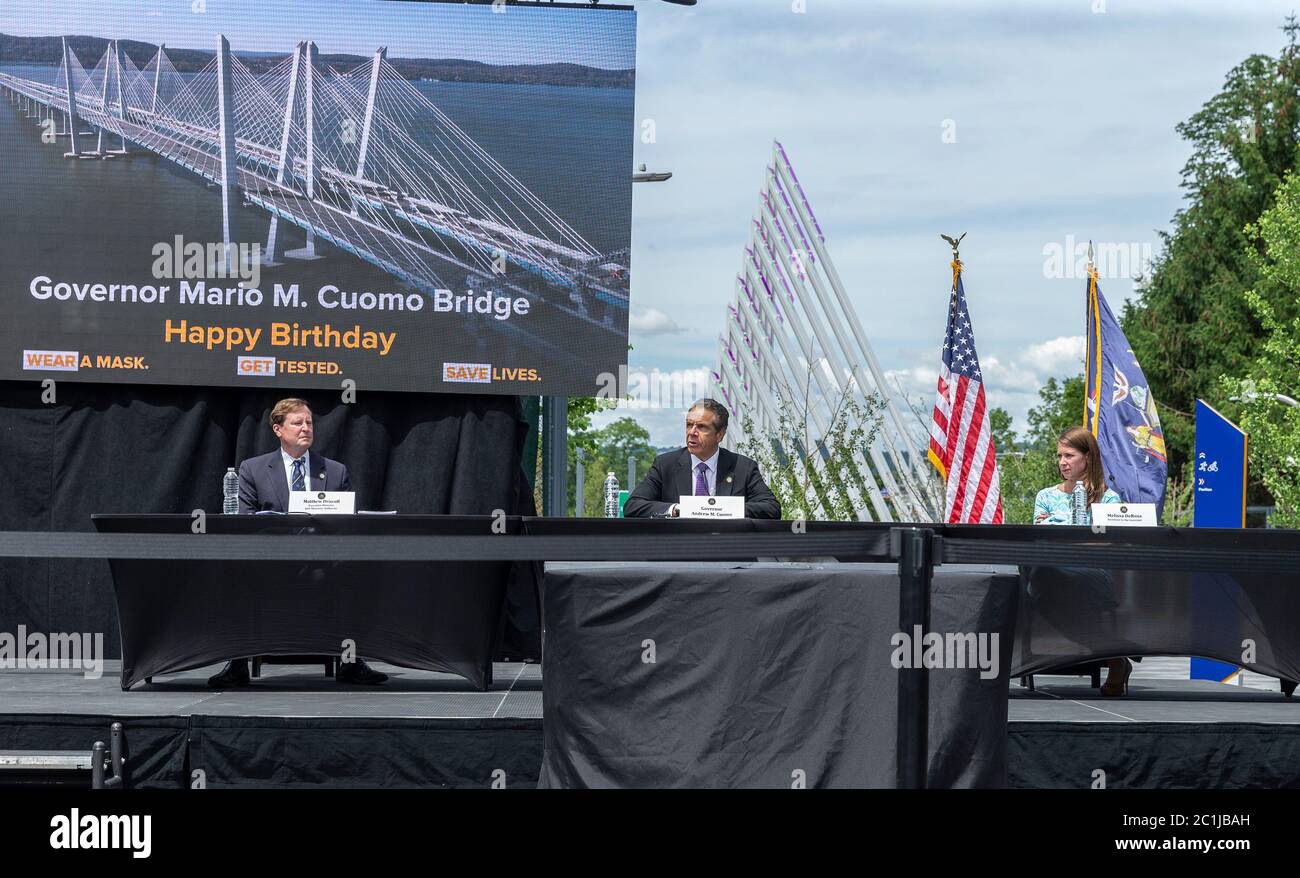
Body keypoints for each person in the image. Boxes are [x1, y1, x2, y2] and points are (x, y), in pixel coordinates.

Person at [207, 398, 388, 688]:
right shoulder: (253, 469)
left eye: (309, 422)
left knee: (361, 569)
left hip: (323, 563)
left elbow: (347, 525)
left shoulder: (335, 470)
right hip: (270, 563)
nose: (306, 428)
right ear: (278, 429)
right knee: (233, 569)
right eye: (297, 423)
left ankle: (351, 662)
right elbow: (243, 521)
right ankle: (237, 661)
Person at [1032, 425, 1130, 696]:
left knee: (1052, 585)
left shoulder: (1108, 499)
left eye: (1069, 455)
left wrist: (1056, 526)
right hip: (1052, 572)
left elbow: (1106, 544)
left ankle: (1115, 656)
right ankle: (1117, 656)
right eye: (1059, 456)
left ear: (1088, 457)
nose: (1062, 462)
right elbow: (1039, 538)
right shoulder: (1045, 496)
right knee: (1044, 579)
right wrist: (1077, 533)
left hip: (1093, 573)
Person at [623, 398, 780, 520]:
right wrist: (676, 509)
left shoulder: (742, 467)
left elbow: (771, 509)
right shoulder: (665, 465)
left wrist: (721, 510)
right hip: (677, 553)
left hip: (727, 554)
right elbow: (633, 506)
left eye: (701, 427)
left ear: (720, 435)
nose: (692, 432)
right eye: (689, 425)